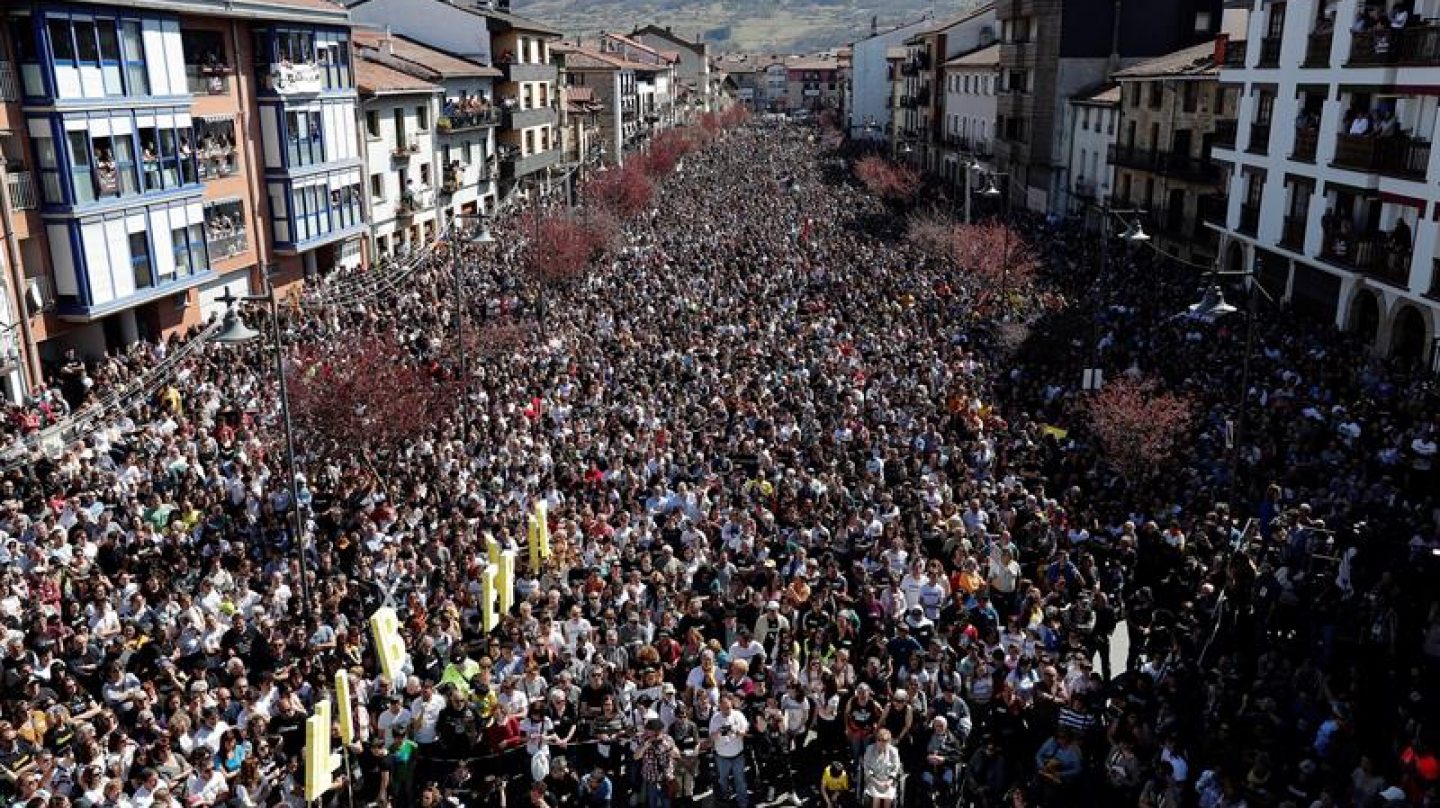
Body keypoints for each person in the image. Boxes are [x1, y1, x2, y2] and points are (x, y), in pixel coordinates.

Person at [708, 693, 749, 808]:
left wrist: (735, 730)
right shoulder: (715, 718)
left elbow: (745, 733)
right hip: (721, 757)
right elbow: (711, 737)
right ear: (719, 706)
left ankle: (743, 803)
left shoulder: (739, 715)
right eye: (723, 707)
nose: (726, 710)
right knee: (723, 780)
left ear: (731, 704)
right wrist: (719, 731)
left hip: (738, 756)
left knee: (740, 780)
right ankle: (725, 798)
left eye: (728, 707)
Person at [634, 718, 677, 808]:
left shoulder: (668, 739)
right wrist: (644, 747)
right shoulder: (643, 739)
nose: (647, 732)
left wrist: (666, 745)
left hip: (666, 778)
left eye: (650, 730)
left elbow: (677, 755)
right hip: (651, 779)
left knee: (666, 803)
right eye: (648, 730)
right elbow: (636, 757)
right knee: (652, 802)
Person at [862, 729, 903, 808]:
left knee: (888, 798)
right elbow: (866, 767)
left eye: (884, 740)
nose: (881, 742)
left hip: (888, 781)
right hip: (873, 780)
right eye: (879, 740)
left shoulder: (894, 751)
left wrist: (889, 781)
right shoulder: (870, 749)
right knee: (876, 797)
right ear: (876, 740)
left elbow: (896, 768)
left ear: (889, 741)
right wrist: (876, 781)